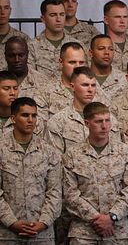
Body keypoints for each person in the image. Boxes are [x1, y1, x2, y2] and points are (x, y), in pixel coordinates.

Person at [62, 101, 128, 243]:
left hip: (117, 230)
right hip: (84, 232)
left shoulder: (126, 153)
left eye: (107, 120)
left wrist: (111, 217)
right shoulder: (72, 155)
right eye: (98, 121)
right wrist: (96, 219)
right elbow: (70, 194)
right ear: (86, 123)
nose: (104, 126)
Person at [0, 97, 61, 242]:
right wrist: (11, 222)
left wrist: (43, 223)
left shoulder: (49, 152)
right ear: (13, 118)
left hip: (42, 234)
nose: (30, 120)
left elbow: (55, 192)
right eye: (25, 115)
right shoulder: (1, 149)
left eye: (34, 116)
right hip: (7, 234)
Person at [28, 0, 70, 77]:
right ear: (43, 19)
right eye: (53, 15)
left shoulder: (76, 45)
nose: (58, 19)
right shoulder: (31, 46)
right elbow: (30, 78)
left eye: (62, 14)